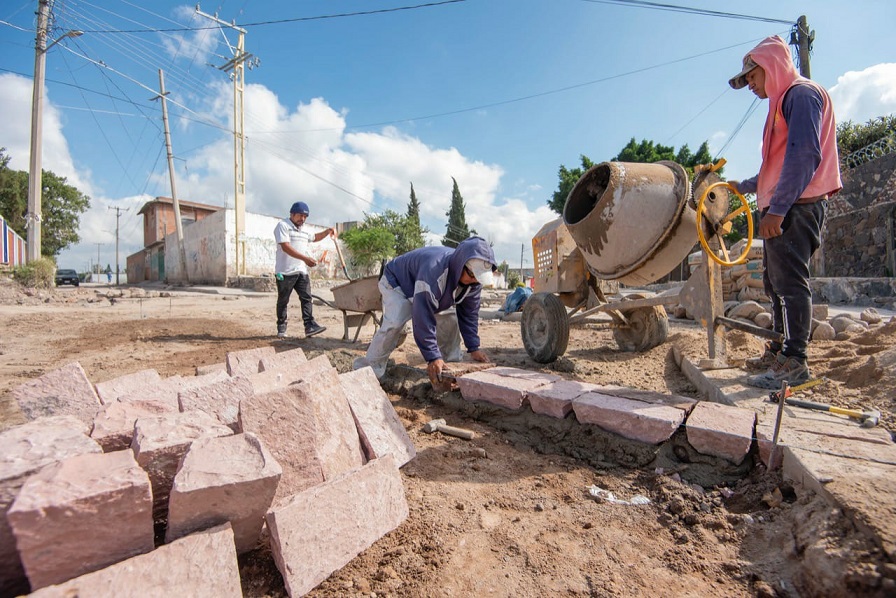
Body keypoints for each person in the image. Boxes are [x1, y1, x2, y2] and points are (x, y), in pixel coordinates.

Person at [726, 35, 842, 390]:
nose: (750, 85)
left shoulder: (800, 95)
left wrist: (776, 211)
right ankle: (779, 352)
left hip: (796, 205)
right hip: (786, 203)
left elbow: (804, 156)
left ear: (771, 66)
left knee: (791, 285)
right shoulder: (782, 103)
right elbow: (775, 167)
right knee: (775, 285)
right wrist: (740, 187)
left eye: (752, 77)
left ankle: (795, 362)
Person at [353, 236, 497, 382]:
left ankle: (449, 371)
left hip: (426, 288)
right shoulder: (434, 273)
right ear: (461, 265)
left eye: (479, 278)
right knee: (395, 321)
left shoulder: (474, 283)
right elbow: (422, 318)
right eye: (472, 275)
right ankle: (369, 371)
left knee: (449, 320)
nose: (475, 281)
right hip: (397, 282)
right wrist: (432, 356)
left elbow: (469, 315)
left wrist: (473, 347)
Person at [274, 201, 334, 338]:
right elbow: (285, 247)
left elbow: (315, 237)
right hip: (284, 271)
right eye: (300, 216)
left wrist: (328, 231)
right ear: (292, 214)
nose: (302, 219)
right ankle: (281, 328)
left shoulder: (304, 229)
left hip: (301, 271)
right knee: (283, 300)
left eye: (305, 217)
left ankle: (309, 326)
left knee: (306, 298)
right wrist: (305, 259)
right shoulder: (283, 226)